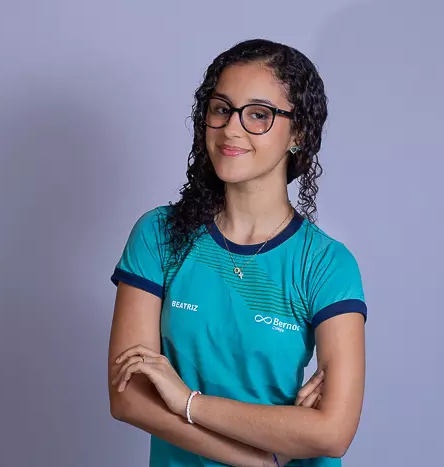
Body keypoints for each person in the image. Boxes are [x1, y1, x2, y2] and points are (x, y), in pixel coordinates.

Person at [108, 38, 367, 467]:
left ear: (298, 133)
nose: (231, 128)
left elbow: (333, 433)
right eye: (221, 109)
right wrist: (263, 460)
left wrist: (187, 402)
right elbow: (128, 397)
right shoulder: (159, 236)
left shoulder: (326, 264)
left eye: (259, 114)